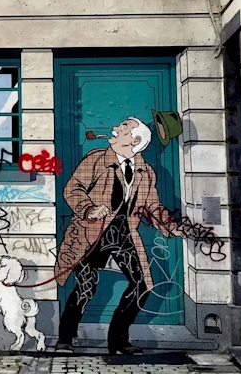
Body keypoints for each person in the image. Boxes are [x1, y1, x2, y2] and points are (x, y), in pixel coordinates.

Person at [54, 117, 183, 355]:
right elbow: (72, 189)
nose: (114, 128)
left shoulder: (146, 172)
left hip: (123, 234)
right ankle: (65, 340)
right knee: (85, 287)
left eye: (123, 128)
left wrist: (173, 226)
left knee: (142, 285)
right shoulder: (96, 159)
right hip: (90, 233)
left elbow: (151, 205)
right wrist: (88, 209)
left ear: (135, 140)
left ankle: (118, 340)